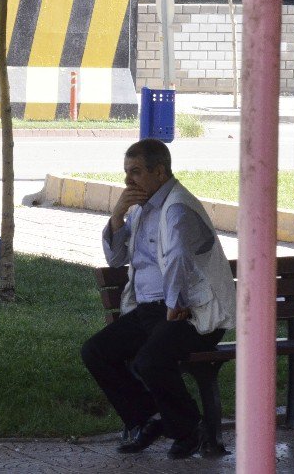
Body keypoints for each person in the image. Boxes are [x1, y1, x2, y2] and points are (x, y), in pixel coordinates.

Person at [80, 139, 235, 460]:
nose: (128, 181)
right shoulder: (141, 209)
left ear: (159, 172)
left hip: (194, 313)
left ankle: (190, 429)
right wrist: (117, 216)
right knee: (96, 351)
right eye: (126, 172)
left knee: (150, 361)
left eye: (135, 172)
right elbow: (116, 258)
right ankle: (147, 419)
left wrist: (175, 304)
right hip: (152, 310)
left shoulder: (177, 207)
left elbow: (178, 257)